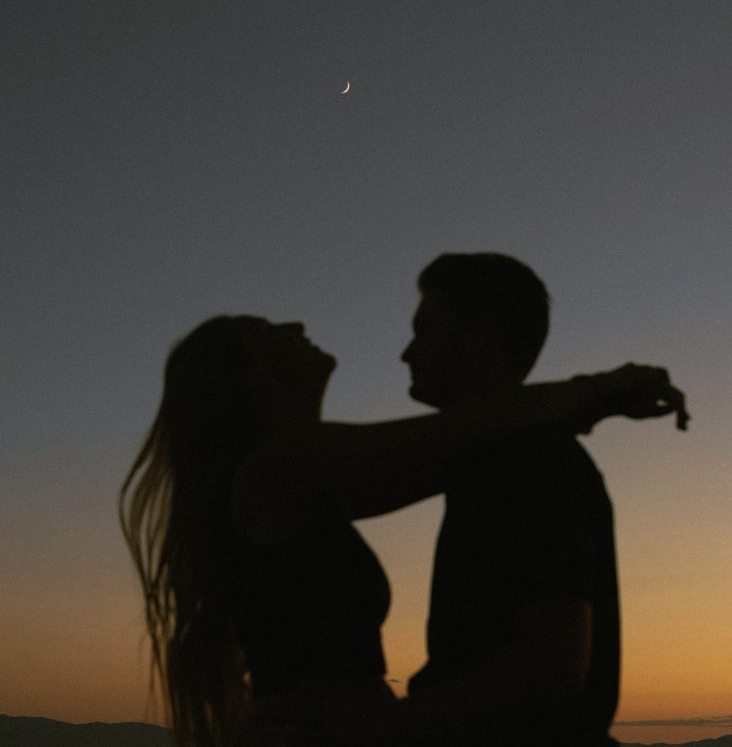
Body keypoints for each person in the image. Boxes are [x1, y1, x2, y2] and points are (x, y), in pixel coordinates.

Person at [119, 311, 685, 747]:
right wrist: (604, 385)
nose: (294, 324)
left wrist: (590, 410)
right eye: (267, 330)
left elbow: (466, 450)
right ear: (250, 380)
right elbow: (467, 429)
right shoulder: (281, 465)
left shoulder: (303, 483)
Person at [394, 253, 683, 747]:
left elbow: (548, 667)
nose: (407, 353)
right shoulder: (499, 457)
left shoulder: (529, 460)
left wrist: (372, 727)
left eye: (425, 329)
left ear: (481, 335)